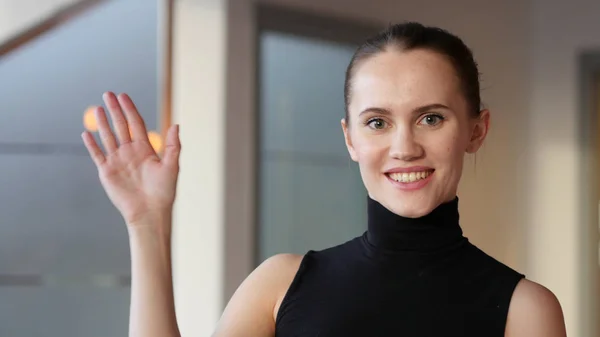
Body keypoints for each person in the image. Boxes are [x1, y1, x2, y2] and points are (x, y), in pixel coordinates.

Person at [82, 22, 567, 337]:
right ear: (350, 138)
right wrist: (147, 223)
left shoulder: (524, 310)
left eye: (431, 118)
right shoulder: (279, 285)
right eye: (377, 122)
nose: (404, 148)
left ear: (476, 130)